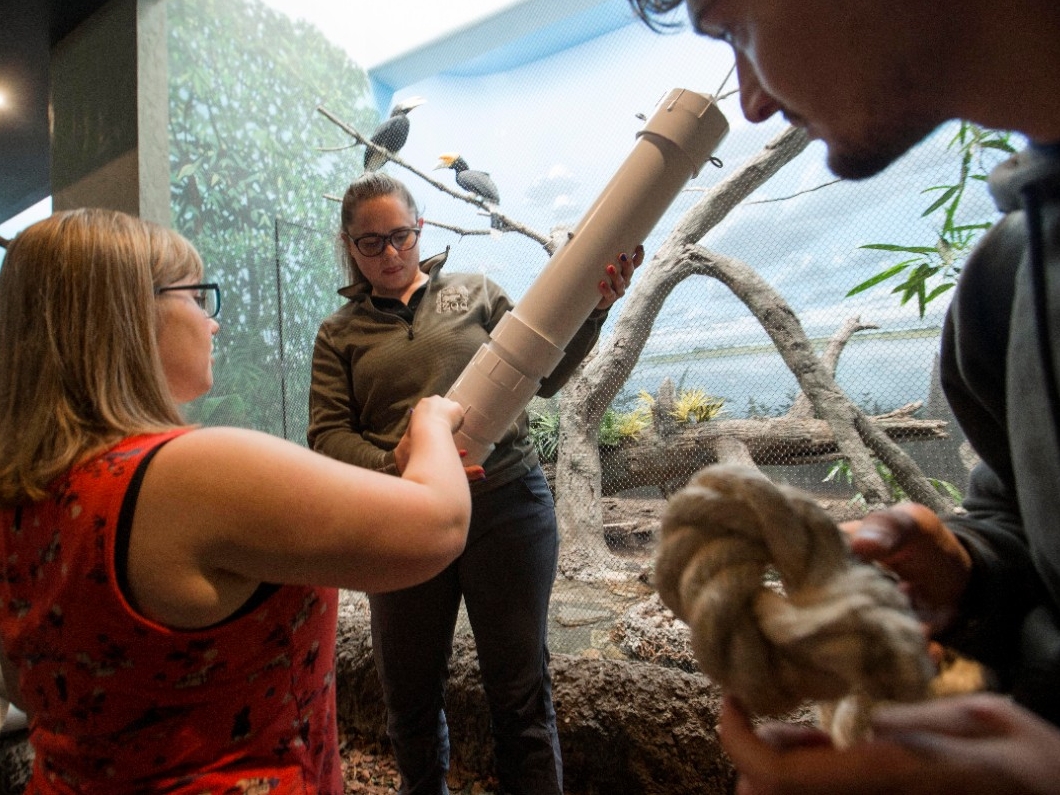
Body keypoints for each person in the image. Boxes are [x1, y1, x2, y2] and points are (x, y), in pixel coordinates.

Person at [630, 1, 1060, 793]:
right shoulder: (1008, 280)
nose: (752, 100)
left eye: (731, 28)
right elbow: (1029, 535)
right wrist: (967, 566)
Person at [0, 208, 473, 795]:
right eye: (197, 297)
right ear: (126, 313)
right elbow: (439, 526)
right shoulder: (191, 473)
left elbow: (23, 687)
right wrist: (430, 420)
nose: (212, 323)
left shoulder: (26, 492)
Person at [307, 172, 641, 795]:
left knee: (519, 691)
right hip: (406, 516)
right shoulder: (339, 335)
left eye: (399, 236)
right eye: (370, 243)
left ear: (420, 230)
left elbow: (545, 375)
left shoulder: (475, 292)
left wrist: (597, 310)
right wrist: (403, 464)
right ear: (350, 246)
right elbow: (328, 437)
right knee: (407, 693)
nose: (388, 253)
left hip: (508, 505)